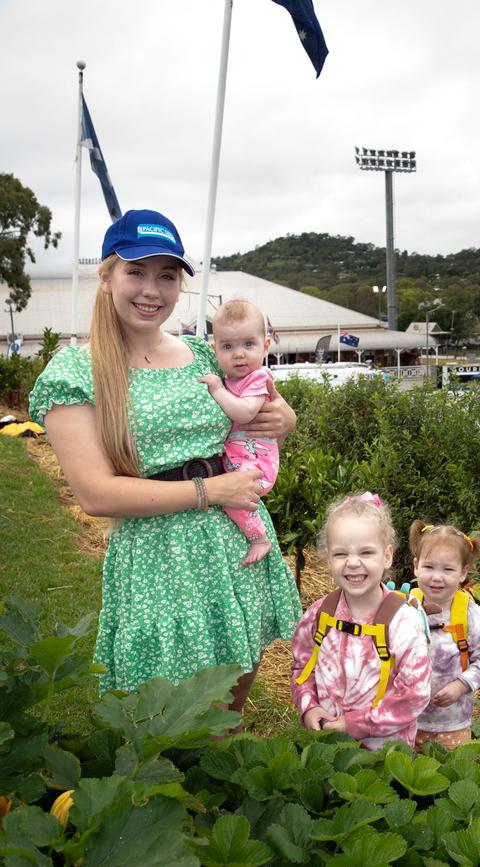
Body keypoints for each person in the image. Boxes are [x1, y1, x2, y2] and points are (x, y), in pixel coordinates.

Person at [28, 208, 302, 713]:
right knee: (168, 720)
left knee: (228, 714)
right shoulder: (76, 372)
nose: (152, 289)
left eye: (167, 276)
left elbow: (267, 410)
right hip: (159, 559)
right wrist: (209, 491)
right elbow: (95, 494)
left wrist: (283, 419)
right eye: (136, 271)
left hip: (234, 543)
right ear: (106, 277)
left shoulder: (205, 355)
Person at [291, 492, 431, 750]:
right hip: (329, 746)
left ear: (387, 556)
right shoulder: (320, 615)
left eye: (366, 552)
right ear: (328, 558)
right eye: (341, 554)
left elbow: (414, 694)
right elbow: (302, 669)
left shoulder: (402, 622)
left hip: (385, 755)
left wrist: (355, 724)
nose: (353, 563)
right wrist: (308, 707)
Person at [199, 300, 278, 566]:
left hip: (257, 464)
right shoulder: (232, 379)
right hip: (240, 459)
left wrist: (217, 390)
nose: (239, 354)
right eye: (228, 346)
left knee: (233, 499)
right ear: (215, 349)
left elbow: (244, 413)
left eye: (248, 344)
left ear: (265, 346)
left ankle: (259, 538)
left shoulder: (258, 378)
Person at [409, 521, 480, 750]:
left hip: (451, 723)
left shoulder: (472, 617)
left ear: (462, 573)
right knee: (409, 778)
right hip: (406, 719)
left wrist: (461, 685)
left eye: (448, 570)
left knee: (450, 775)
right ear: (416, 566)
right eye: (429, 567)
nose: (437, 577)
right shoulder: (405, 609)